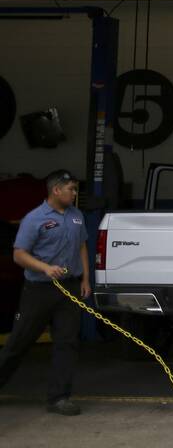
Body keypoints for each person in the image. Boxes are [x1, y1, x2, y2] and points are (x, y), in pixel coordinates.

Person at [0, 169, 90, 415]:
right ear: (56, 190)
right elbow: (19, 255)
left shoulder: (77, 216)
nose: (74, 193)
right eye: (70, 189)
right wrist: (45, 268)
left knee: (67, 342)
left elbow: (82, 245)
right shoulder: (34, 218)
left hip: (69, 288)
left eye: (75, 189)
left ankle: (59, 398)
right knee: (19, 342)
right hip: (38, 290)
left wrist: (85, 278)